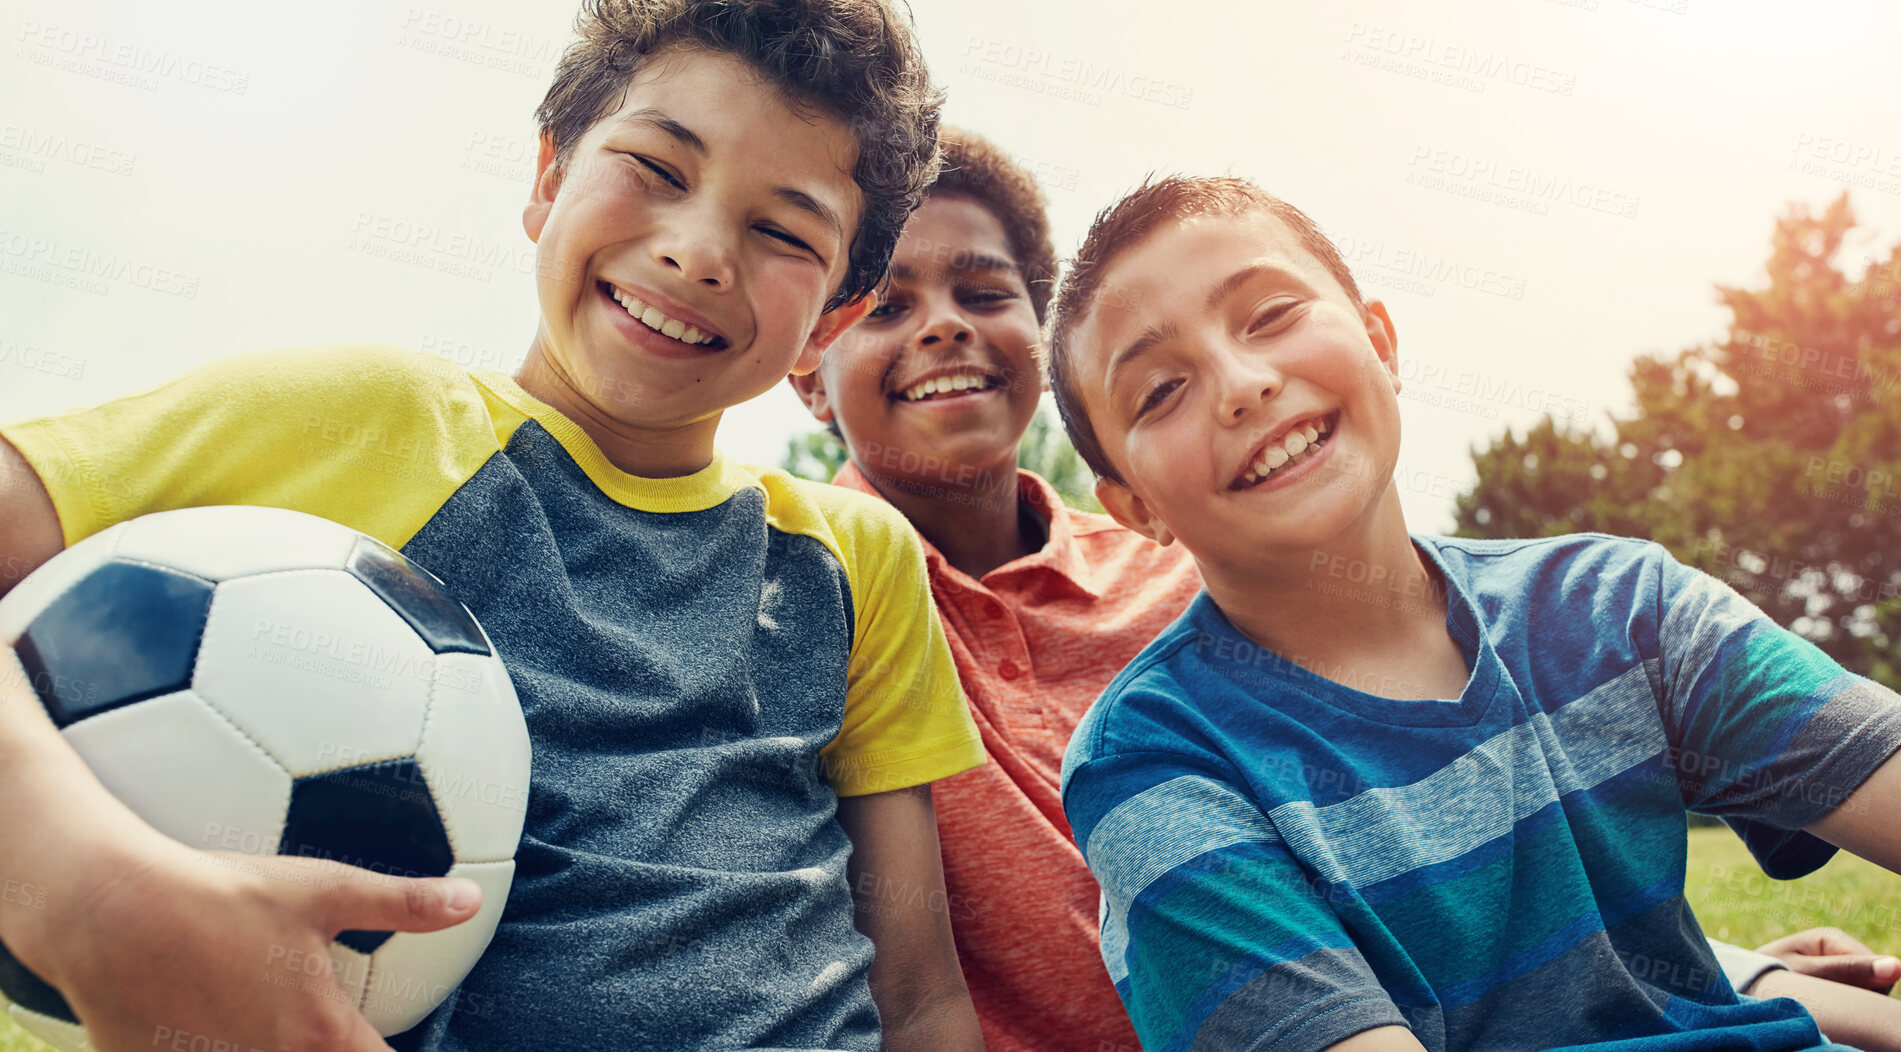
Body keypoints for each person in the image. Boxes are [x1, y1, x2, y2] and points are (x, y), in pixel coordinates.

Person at [0, 2, 988, 1050]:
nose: (698, 252)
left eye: (782, 230)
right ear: (548, 179)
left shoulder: (854, 557)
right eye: (656, 166)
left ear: (831, 319)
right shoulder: (359, 415)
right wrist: (86, 889)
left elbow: (918, 988)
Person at [792, 138, 1901, 1049]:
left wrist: (1746, 980)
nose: (1243, 383)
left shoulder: (1598, 602)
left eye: (984, 291)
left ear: (1379, 336)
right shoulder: (809, 604)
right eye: (1162, 385)